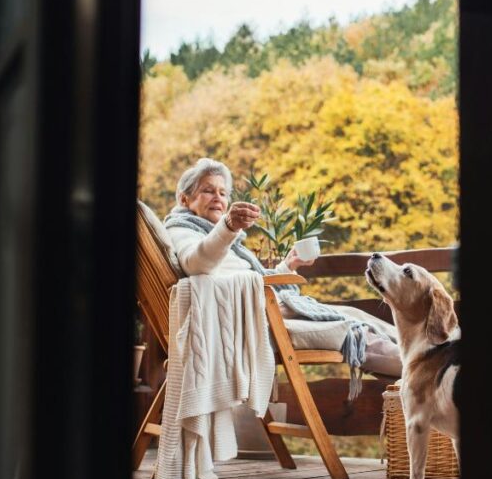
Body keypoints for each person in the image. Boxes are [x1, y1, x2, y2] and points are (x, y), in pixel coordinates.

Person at [163, 158, 402, 382]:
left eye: (223, 193)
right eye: (208, 190)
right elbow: (197, 263)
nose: (218, 197)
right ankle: (428, 366)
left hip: (268, 310)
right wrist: (227, 226)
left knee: (356, 316)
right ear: (185, 200)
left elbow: (249, 278)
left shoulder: (215, 236)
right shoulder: (182, 231)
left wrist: (288, 266)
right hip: (255, 323)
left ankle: (431, 350)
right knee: (355, 334)